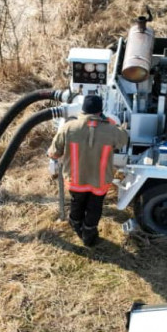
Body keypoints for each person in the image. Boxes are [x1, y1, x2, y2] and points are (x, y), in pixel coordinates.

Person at [47, 95, 129, 246]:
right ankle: (89, 235)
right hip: (100, 182)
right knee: (94, 207)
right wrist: (112, 123)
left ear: (82, 109)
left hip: (76, 180)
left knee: (77, 203)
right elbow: (124, 139)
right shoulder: (111, 130)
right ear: (100, 111)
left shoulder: (68, 127)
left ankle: (76, 225)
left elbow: (53, 153)